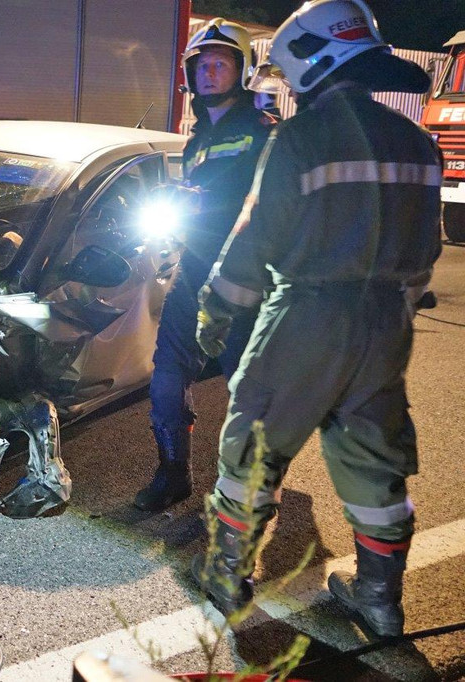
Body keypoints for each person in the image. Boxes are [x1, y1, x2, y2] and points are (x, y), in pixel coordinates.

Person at [191, 0, 442, 637]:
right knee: (374, 459)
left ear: (310, 61)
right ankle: (380, 601)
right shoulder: (416, 142)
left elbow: (257, 239)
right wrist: (395, 309)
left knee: (253, 444)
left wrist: (216, 307)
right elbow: (426, 252)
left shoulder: (299, 138)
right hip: (387, 323)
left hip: (308, 314)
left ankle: (227, 573)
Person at [134, 19, 277, 512]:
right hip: (193, 270)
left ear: (243, 71)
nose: (209, 72)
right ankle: (173, 474)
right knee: (167, 377)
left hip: (244, 277)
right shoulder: (196, 138)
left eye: (221, 63)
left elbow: (272, 206)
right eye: (202, 64)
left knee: (246, 391)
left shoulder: (263, 132)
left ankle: (247, 495)